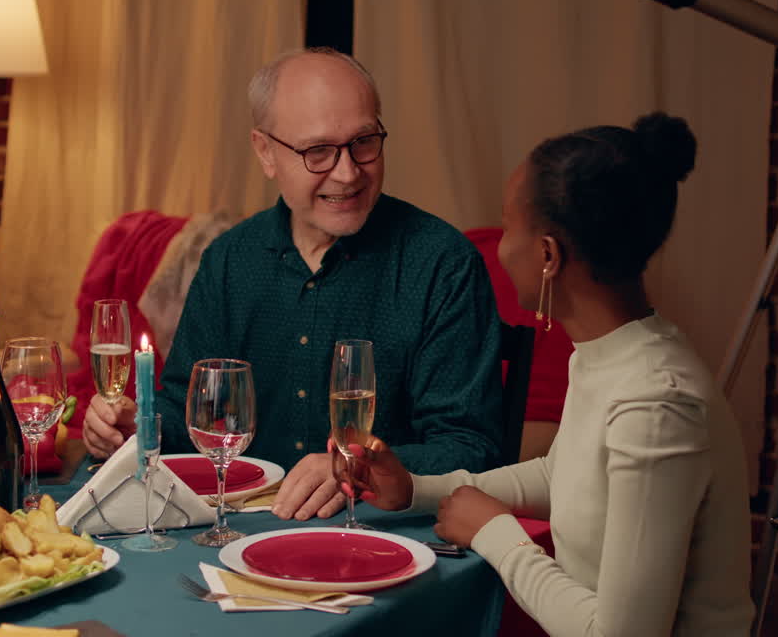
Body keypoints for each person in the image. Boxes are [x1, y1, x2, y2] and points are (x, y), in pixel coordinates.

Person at [349, 114, 753, 636]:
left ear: (547, 255)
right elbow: (562, 476)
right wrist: (414, 489)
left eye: (508, 226)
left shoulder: (655, 404)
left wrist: (496, 534)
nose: (500, 246)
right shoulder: (611, 353)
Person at [83, 48, 506, 521]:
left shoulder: (443, 264)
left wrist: (361, 468)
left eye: (364, 141)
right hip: (240, 530)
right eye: (318, 151)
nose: (348, 172)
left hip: (385, 533)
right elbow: (187, 415)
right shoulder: (229, 260)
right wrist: (135, 429)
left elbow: (472, 448)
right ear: (266, 152)